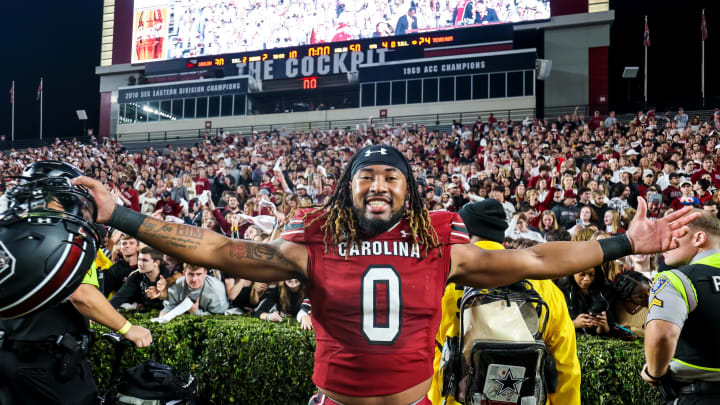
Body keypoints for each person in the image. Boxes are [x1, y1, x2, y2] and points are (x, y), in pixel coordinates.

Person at [75, 144, 698, 405]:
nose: (378, 184)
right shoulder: (312, 239)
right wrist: (122, 214)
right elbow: (216, 249)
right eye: (366, 176)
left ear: (411, 191)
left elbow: (535, 260)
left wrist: (623, 240)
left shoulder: (440, 243)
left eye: (392, 176)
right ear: (348, 189)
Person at [0, 162, 152, 405]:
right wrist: (128, 328)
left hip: (9, 353)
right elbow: (82, 294)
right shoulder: (64, 235)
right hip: (50, 363)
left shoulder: (10, 227)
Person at [429, 199, 580, 405]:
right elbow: (566, 366)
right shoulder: (543, 285)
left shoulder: (442, 283)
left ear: (466, 235)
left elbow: (431, 359)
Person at [642, 210, 720, 404]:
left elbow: (661, 335)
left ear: (699, 238)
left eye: (673, 234)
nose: (664, 245)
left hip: (698, 395)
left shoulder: (675, 278)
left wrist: (654, 373)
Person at [110, 246, 174, 311]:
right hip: (143, 314)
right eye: (139, 259)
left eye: (145, 260)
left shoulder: (168, 276)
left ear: (156, 263)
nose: (140, 264)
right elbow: (118, 298)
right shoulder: (135, 276)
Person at [161, 264, 229, 316]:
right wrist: (164, 313)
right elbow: (169, 306)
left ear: (205, 273)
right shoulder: (177, 285)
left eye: (199, 274)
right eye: (190, 274)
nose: (194, 280)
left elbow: (221, 317)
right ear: (184, 274)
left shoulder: (216, 289)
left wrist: (196, 312)